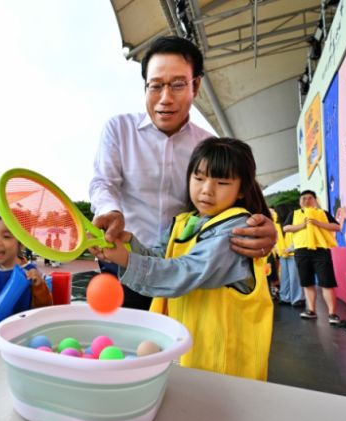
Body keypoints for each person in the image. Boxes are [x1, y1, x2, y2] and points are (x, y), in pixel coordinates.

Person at [89, 35, 277, 310]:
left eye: (177, 85)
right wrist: (111, 212)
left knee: (176, 347)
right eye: (155, 86)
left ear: (196, 85)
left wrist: (267, 230)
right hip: (124, 259)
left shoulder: (210, 148)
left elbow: (248, 203)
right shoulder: (119, 129)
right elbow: (103, 182)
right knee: (125, 347)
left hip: (188, 275)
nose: (165, 99)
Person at [100, 138, 274, 380]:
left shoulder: (237, 228)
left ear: (242, 189)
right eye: (199, 178)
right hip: (187, 346)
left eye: (222, 182)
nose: (206, 190)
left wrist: (128, 260)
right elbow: (161, 257)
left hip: (221, 364)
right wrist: (129, 245)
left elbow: (186, 271)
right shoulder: (183, 222)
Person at [283, 190, 342, 324]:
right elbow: (286, 228)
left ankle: (332, 314)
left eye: (310, 198)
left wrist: (318, 223)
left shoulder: (322, 213)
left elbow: (337, 227)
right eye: (303, 198)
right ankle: (311, 310)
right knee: (307, 282)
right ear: (300, 202)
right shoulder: (294, 214)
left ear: (315, 200)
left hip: (321, 250)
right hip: (301, 251)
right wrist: (302, 225)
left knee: (327, 282)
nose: (306, 200)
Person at [273, 204, 304, 307]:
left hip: (293, 253)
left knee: (295, 277)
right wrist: (279, 250)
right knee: (285, 277)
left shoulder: (295, 222)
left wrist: (290, 248)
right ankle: (285, 297)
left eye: (276, 212)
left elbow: (299, 237)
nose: (275, 214)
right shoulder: (276, 224)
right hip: (282, 254)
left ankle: (297, 299)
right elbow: (276, 239)